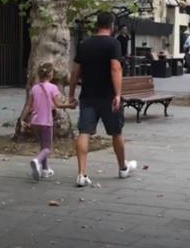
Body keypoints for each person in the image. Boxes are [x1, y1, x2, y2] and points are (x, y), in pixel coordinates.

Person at [69, 12, 137, 187]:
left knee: (84, 132)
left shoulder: (84, 44)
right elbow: (115, 68)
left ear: (96, 25)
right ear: (112, 25)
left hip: (88, 96)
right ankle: (122, 168)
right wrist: (118, 94)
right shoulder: (113, 43)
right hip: (108, 96)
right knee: (116, 132)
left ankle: (81, 174)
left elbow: (75, 71)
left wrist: (71, 94)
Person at [20, 62, 77, 181]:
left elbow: (28, 106)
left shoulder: (34, 88)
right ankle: (37, 160)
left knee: (43, 146)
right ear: (50, 75)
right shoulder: (53, 88)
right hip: (46, 122)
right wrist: (70, 106)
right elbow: (58, 104)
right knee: (47, 148)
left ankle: (45, 169)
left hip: (35, 122)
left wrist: (22, 119)